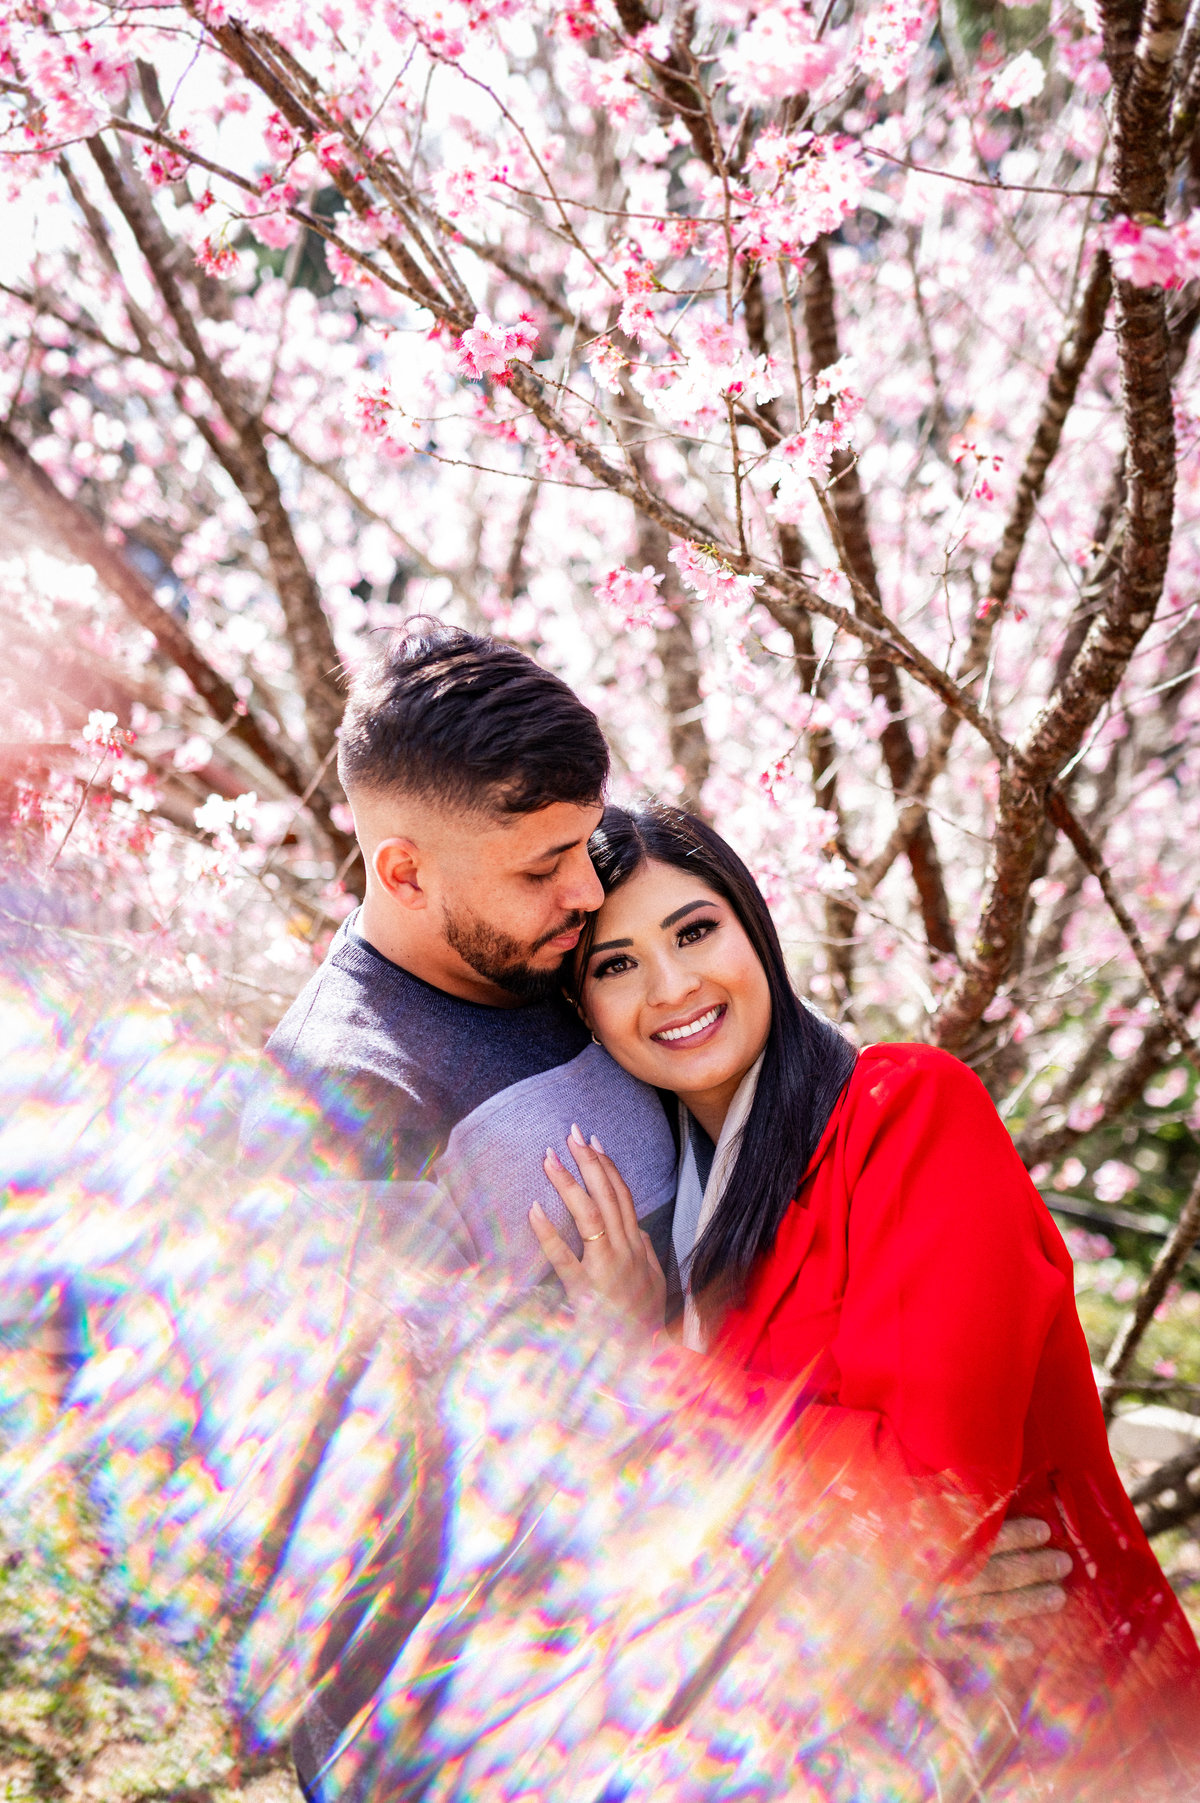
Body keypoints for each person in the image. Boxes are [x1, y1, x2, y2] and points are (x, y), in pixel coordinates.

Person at [531, 800, 1200, 1779]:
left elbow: (937, 1489)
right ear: (583, 1007)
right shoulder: (677, 1219)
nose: (672, 987)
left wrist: (649, 1370)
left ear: (755, 928)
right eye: (616, 964)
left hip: (1061, 1737)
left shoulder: (907, 1109)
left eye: (695, 931)